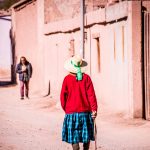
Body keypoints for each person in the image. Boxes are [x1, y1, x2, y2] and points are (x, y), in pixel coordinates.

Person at [60, 55, 98, 150]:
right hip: (85, 112)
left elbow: (62, 98)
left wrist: (67, 109)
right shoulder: (86, 78)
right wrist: (94, 109)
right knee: (86, 135)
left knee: (74, 135)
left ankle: (76, 148)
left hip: (71, 113)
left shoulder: (67, 79)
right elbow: (91, 95)